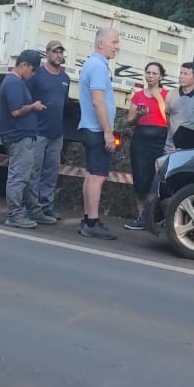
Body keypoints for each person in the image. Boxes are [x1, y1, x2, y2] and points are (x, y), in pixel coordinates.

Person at [76, 28, 121, 239]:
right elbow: (97, 100)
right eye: (114, 42)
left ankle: (87, 219)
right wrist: (108, 132)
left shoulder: (92, 64)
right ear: (101, 44)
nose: (117, 46)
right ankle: (92, 222)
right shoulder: (98, 67)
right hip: (96, 129)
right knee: (98, 176)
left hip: (89, 127)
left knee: (91, 174)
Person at [0, 49, 48, 228]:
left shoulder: (17, 83)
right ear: (24, 65)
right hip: (18, 136)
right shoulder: (13, 83)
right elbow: (16, 110)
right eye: (32, 70)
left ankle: (31, 211)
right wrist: (33, 106)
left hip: (24, 136)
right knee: (18, 176)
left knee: (26, 175)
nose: (33, 74)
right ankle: (14, 215)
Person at [122, 61, 170, 231]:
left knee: (155, 180)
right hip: (141, 138)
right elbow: (129, 121)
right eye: (148, 72)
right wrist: (138, 116)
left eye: (154, 73)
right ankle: (141, 215)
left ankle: (153, 217)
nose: (150, 76)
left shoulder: (167, 95)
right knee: (140, 178)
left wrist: (157, 97)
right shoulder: (138, 95)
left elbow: (168, 119)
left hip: (160, 138)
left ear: (160, 76)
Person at [25, 39, 69, 224]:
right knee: (34, 171)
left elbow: (64, 103)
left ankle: (46, 207)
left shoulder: (65, 78)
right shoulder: (37, 75)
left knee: (51, 172)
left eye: (61, 52)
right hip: (38, 131)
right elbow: (25, 98)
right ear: (47, 54)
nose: (58, 55)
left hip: (56, 132)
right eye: (55, 52)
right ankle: (32, 209)